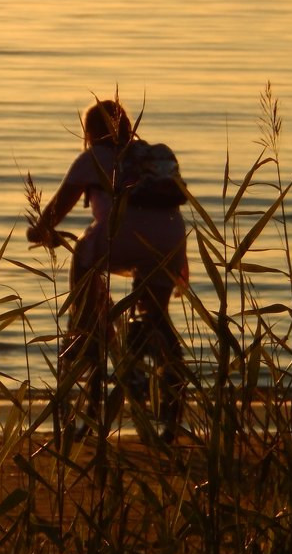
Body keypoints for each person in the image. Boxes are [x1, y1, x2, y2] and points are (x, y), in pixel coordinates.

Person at [26, 99, 188, 441]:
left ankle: (89, 331)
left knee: (85, 259)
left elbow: (55, 210)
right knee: (156, 317)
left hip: (119, 236)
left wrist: (39, 232)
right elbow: (169, 206)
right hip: (170, 238)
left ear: (89, 133)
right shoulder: (150, 160)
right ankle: (169, 393)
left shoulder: (93, 158)